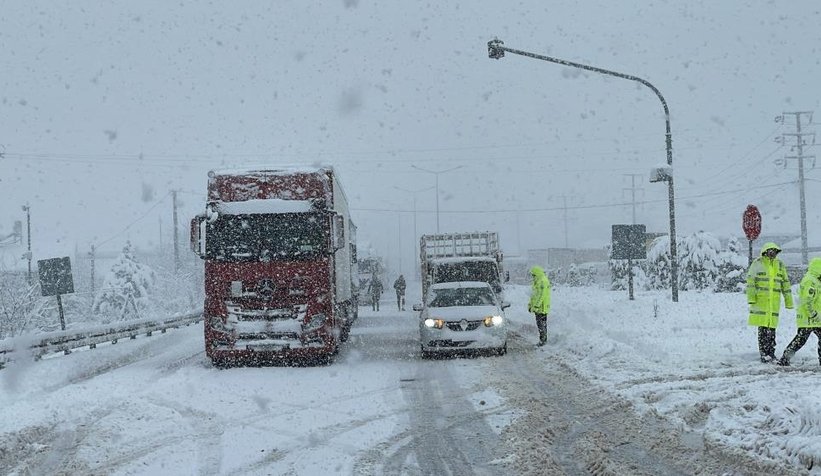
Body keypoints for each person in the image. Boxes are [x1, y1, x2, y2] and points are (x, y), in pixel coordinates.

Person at [746, 242, 793, 363]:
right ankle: (764, 354)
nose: (772, 253)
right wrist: (751, 298)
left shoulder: (780, 265)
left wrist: (789, 302)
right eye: (770, 251)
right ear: (765, 251)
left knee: (772, 329)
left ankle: (771, 352)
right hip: (761, 303)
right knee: (763, 329)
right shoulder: (758, 264)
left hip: (774, 304)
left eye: (774, 251)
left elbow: (785, 284)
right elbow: (750, 282)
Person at [778, 257, 821, 366]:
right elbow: (807, 301)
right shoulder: (811, 281)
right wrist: (813, 314)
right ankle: (784, 358)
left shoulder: (815, 280)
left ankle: (785, 358)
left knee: (800, 340)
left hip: (814, 319)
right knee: (800, 340)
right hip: (809, 318)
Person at [528, 265, 552, 346]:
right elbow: (533, 295)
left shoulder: (542, 281)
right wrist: (530, 305)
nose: (532, 276)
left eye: (533, 275)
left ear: (536, 274)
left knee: (541, 324)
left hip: (541, 308)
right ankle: (543, 340)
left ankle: (543, 341)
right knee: (541, 324)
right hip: (538, 308)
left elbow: (541, 295)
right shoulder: (537, 281)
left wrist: (536, 306)